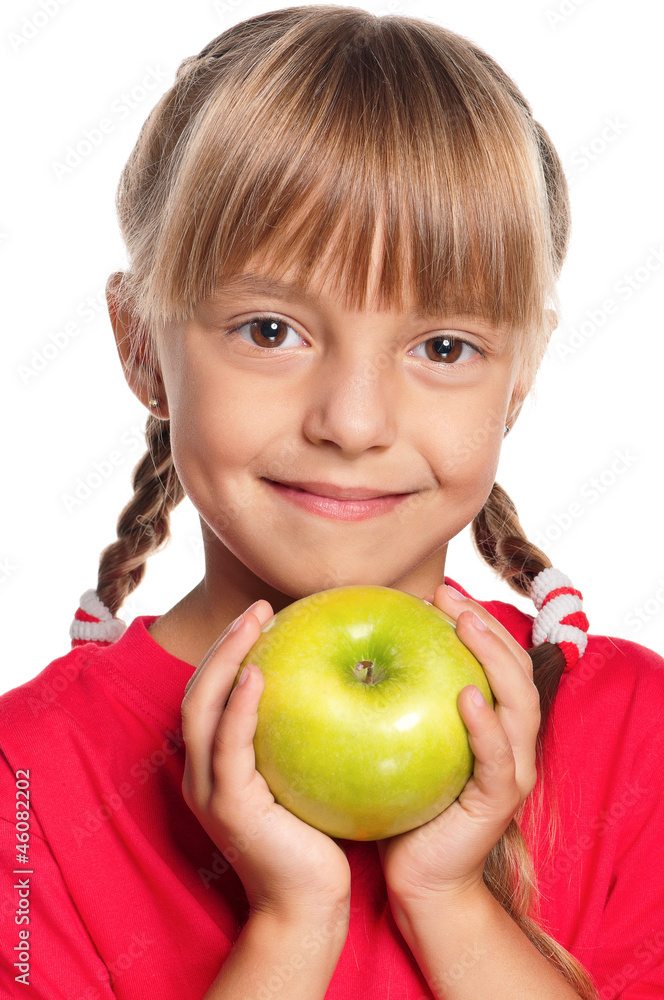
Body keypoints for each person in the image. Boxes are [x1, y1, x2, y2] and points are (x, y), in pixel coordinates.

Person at [1, 5, 663, 998]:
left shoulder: (635, 739)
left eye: (443, 347)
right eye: (270, 329)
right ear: (141, 344)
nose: (352, 422)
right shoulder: (25, 785)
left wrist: (448, 898)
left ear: (518, 380)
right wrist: (291, 922)